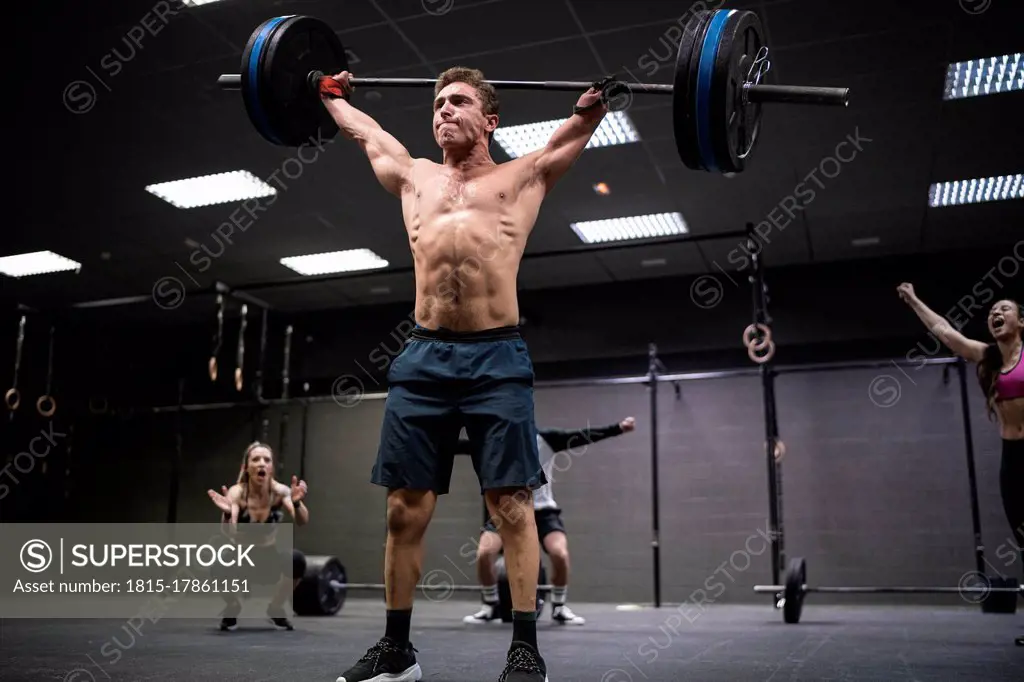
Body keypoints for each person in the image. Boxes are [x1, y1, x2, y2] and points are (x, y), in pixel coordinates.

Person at [320, 66, 611, 682]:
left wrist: (593, 107)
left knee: (511, 504)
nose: (443, 111)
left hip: (496, 358)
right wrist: (328, 94)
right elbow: (366, 134)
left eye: (458, 102)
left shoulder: (519, 177)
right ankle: (397, 653)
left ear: (490, 120)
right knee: (404, 508)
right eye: (437, 103)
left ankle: (525, 651)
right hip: (423, 358)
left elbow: (566, 139)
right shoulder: (414, 177)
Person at [897, 285, 1023, 646]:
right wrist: (915, 300)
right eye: (992, 312)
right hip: (1011, 458)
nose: (995, 314)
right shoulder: (987, 357)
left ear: (1021, 321)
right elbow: (947, 333)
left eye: (1004, 309)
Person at [460, 417, 636, 627]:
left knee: (559, 554)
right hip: (506, 512)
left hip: (543, 512)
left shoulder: (547, 438)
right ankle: (490, 606)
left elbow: (582, 436)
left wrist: (617, 428)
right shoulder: (495, 441)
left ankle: (559, 608)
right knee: (484, 553)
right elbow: (460, 446)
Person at [207, 441, 309, 632]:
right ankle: (233, 605)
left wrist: (296, 504)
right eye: (256, 459)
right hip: (241, 559)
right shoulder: (237, 493)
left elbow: (302, 521)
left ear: (271, 467)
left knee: (296, 560)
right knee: (218, 560)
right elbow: (229, 531)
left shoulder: (280, 492)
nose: (261, 463)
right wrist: (228, 514)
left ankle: (276, 608)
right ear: (246, 467)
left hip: (268, 558)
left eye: (266, 460)